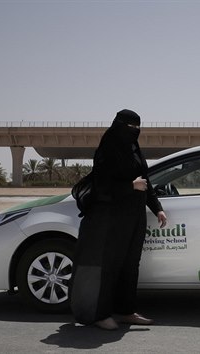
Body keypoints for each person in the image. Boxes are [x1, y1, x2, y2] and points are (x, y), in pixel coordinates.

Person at [70, 109, 167, 330]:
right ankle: (100, 314)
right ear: (118, 126)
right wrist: (130, 186)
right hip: (111, 217)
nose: (134, 132)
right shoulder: (107, 150)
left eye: (137, 128)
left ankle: (125, 311)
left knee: (130, 265)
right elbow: (102, 186)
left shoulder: (134, 148)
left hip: (134, 216)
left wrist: (157, 208)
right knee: (108, 265)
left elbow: (145, 181)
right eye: (129, 127)